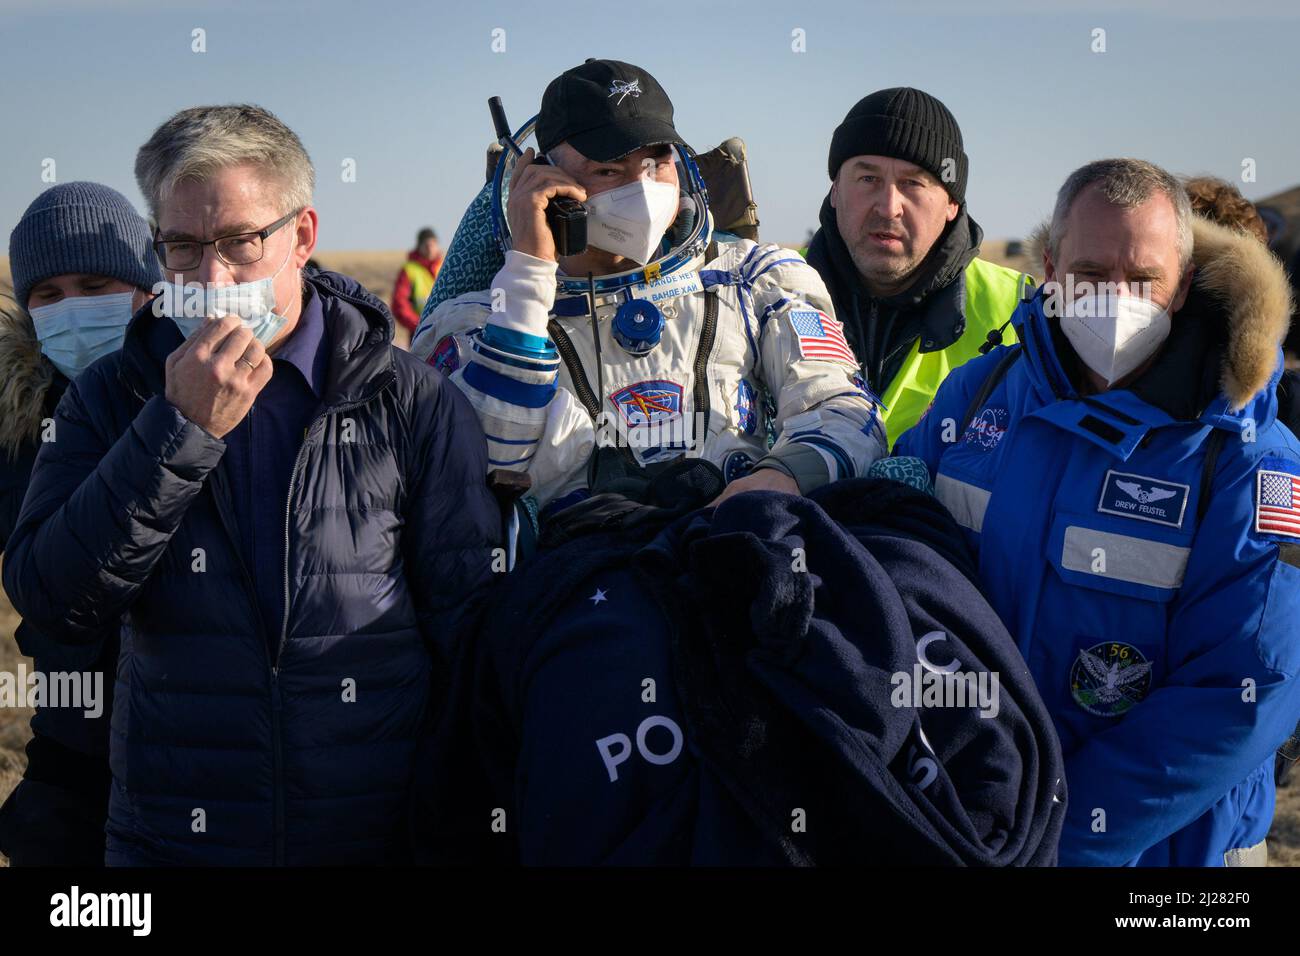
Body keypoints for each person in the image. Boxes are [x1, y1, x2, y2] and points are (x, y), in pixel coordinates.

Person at [2, 104, 500, 866]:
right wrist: (178, 430)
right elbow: (54, 599)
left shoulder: (410, 402)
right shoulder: (110, 396)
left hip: (373, 834)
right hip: (175, 838)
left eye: (239, 242)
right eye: (182, 247)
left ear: (301, 235)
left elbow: (470, 633)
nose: (211, 277)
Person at [895, 158, 1300, 866]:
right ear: (1050, 267)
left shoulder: (1248, 458)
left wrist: (1063, 840)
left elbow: (1244, 691)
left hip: (1166, 857)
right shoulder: (979, 394)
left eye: (1143, 280)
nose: (1115, 301)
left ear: (1181, 286)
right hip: (975, 825)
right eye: (1089, 274)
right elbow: (894, 537)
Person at [416, 467, 1066, 865]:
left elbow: (837, 409)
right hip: (596, 572)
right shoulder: (497, 298)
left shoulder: (765, 283)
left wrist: (780, 473)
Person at [413, 60, 885, 524]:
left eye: (658, 162)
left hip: (742, 548)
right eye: (608, 171)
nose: (642, 188)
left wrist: (781, 478)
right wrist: (528, 278)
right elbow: (473, 477)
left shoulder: (757, 279)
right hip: (579, 578)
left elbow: (846, 412)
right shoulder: (478, 321)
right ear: (544, 180)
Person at [0, 182, 161, 865]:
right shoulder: (14, 426)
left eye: (95, 282)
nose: (72, 308)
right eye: (49, 294)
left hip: (198, 746)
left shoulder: (200, 398)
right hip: (71, 736)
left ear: (147, 288)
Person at [806, 88, 1034, 448]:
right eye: (868, 179)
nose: (888, 207)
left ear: (952, 204)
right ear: (835, 191)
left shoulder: (1023, 313)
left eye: (913, 183)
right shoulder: (768, 291)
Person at [391, 227, 442, 338]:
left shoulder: (445, 267)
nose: (430, 248)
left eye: (433, 244)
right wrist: (418, 325)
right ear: (419, 246)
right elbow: (399, 303)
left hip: (446, 330)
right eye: (426, 245)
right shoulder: (409, 270)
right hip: (419, 333)